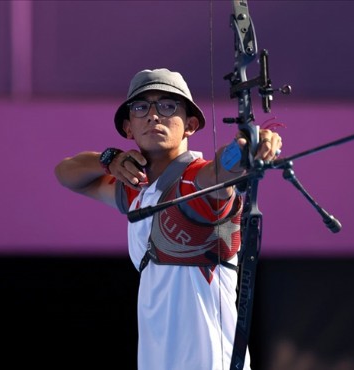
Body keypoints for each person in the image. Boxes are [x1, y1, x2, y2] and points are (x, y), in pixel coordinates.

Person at [54, 68, 282, 370]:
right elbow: (66, 174)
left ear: (190, 125)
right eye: (141, 107)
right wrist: (108, 160)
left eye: (167, 106)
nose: (153, 116)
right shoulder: (134, 190)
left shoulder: (201, 182)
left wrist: (251, 145)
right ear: (128, 129)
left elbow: (225, 168)